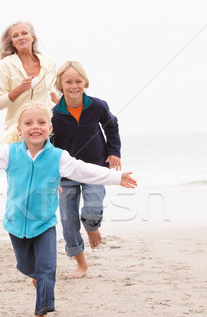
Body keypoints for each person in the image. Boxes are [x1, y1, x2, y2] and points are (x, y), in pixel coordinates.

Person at [0, 102, 137, 317]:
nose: (35, 127)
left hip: (44, 222)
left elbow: (84, 170)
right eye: (28, 123)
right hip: (15, 222)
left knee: (48, 267)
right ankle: (35, 275)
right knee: (27, 266)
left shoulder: (58, 157)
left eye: (41, 122)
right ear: (19, 130)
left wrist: (116, 177)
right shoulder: (10, 153)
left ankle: (43, 309)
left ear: (50, 128)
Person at [50, 61, 122, 279]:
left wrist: (114, 151)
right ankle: (81, 263)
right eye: (68, 82)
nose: (74, 85)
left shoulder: (98, 106)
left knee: (92, 209)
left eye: (78, 81)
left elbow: (111, 125)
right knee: (68, 222)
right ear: (60, 85)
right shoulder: (54, 114)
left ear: (85, 82)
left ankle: (91, 226)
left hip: (94, 168)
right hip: (66, 174)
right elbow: (49, 147)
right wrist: (51, 176)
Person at [0, 21, 59, 144]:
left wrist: (69, 103)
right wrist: (20, 89)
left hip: (45, 132)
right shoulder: (5, 65)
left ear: (32, 37)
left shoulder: (49, 63)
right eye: (15, 36)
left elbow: (51, 92)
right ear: (12, 41)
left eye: (24, 33)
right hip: (17, 133)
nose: (21, 37)